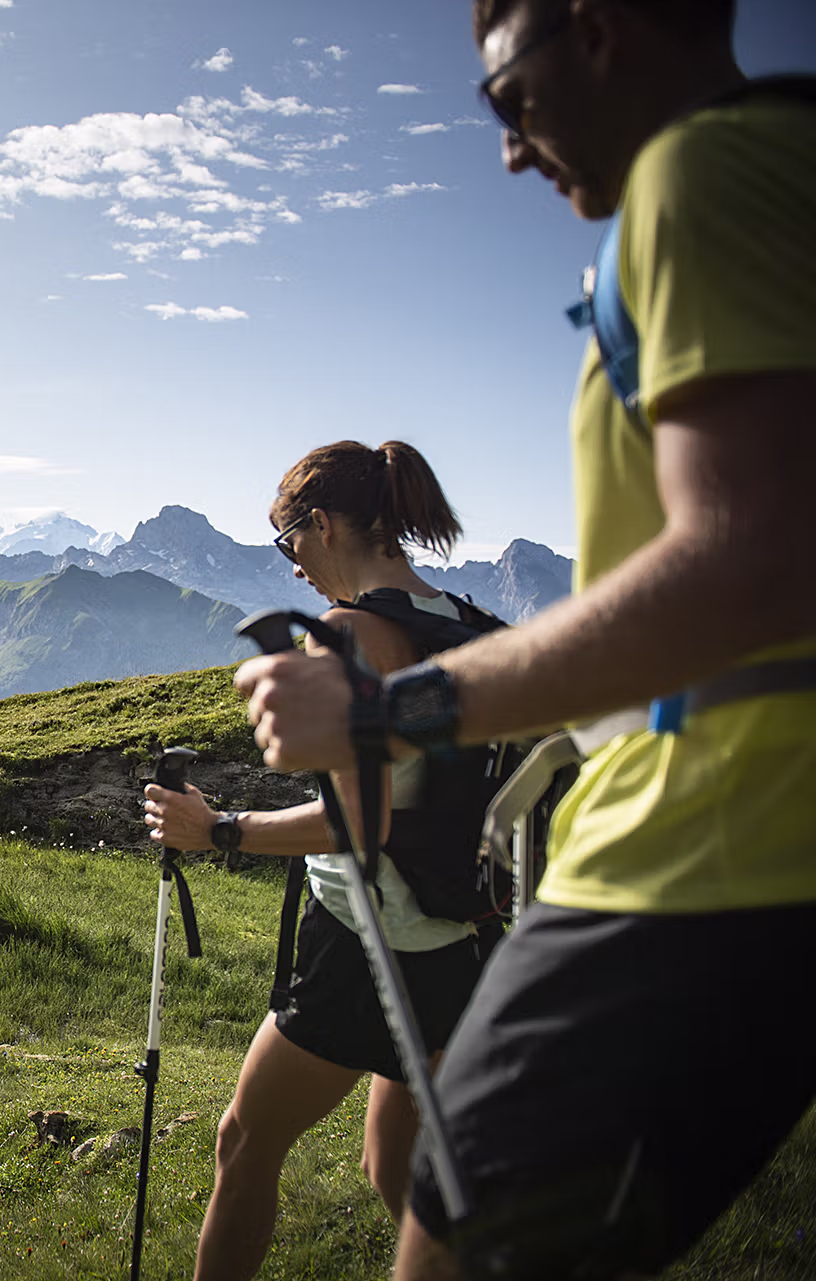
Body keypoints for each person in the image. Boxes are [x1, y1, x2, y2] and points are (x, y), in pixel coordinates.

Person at [234, 2, 816, 1278]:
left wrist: (381, 715)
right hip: (741, 871)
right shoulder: (786, 169)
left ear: (598, 26)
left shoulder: (701, 171)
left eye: (506, 99)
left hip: (692, 853)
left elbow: (746, 563)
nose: (507, 152)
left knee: (453, 1244)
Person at [143, 440, 504, 1281]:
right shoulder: (467, 621)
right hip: (459, 937)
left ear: (325, 523)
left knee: (244, 1138)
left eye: (287, 541)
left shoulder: (347, 635)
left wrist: (218, 828)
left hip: (366, 943)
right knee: (396, 1170)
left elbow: (359, 823)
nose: (292, 566)